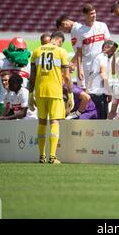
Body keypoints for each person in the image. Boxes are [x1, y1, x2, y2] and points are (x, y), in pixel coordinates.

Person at [28, 31, 73, 164]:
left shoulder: (36, 51)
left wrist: (30, 94)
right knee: (54, 122)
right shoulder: (61, 51)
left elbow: (32, 75)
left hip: (40, 91)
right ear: (60, 40)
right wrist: (70, 94)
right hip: (55, 91)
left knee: (42, 122)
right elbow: (66, 75)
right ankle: (52, 157)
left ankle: (41, 156)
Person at [75, 4, 110, 90]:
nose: (94, 15)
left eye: (94, 13)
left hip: (102, 63)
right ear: (85, 15)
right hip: (88, 65)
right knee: (91, 90)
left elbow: (109, 43)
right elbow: (79, 52)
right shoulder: (80, 31)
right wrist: (79, 69)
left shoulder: (102, 25)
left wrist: (108, 57)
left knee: (104, 88)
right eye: (91, 13)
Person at [0, 37, 31, 118]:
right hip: (4, 102)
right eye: (18, 50)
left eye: (22, 50)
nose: (20, 53)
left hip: (21, 102)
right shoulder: (1, 63)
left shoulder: (28, 65)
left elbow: (32, 82)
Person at [87, 40, 118, 119]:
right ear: (105, 48)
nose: (113, 53)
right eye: (112, 51)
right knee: (101, 120)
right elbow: (103, 74)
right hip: (98, 93)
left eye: (114, 51)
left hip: (95, 93)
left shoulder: (99, 57)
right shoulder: (103, 56)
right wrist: (109, 92)